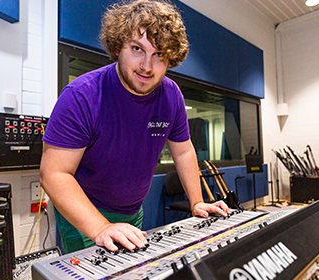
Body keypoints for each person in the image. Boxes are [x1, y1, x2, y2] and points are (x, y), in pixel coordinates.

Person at [40, 0, 231, 254]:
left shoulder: (171, 96)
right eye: (137, 49)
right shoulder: (81, 95)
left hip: (133, 211)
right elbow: (54, 174)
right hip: (85, 212)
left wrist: (196, 202)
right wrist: (100, 227)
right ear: (118, 46)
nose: (147, 66)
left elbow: (183, 151)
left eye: (159, 55)